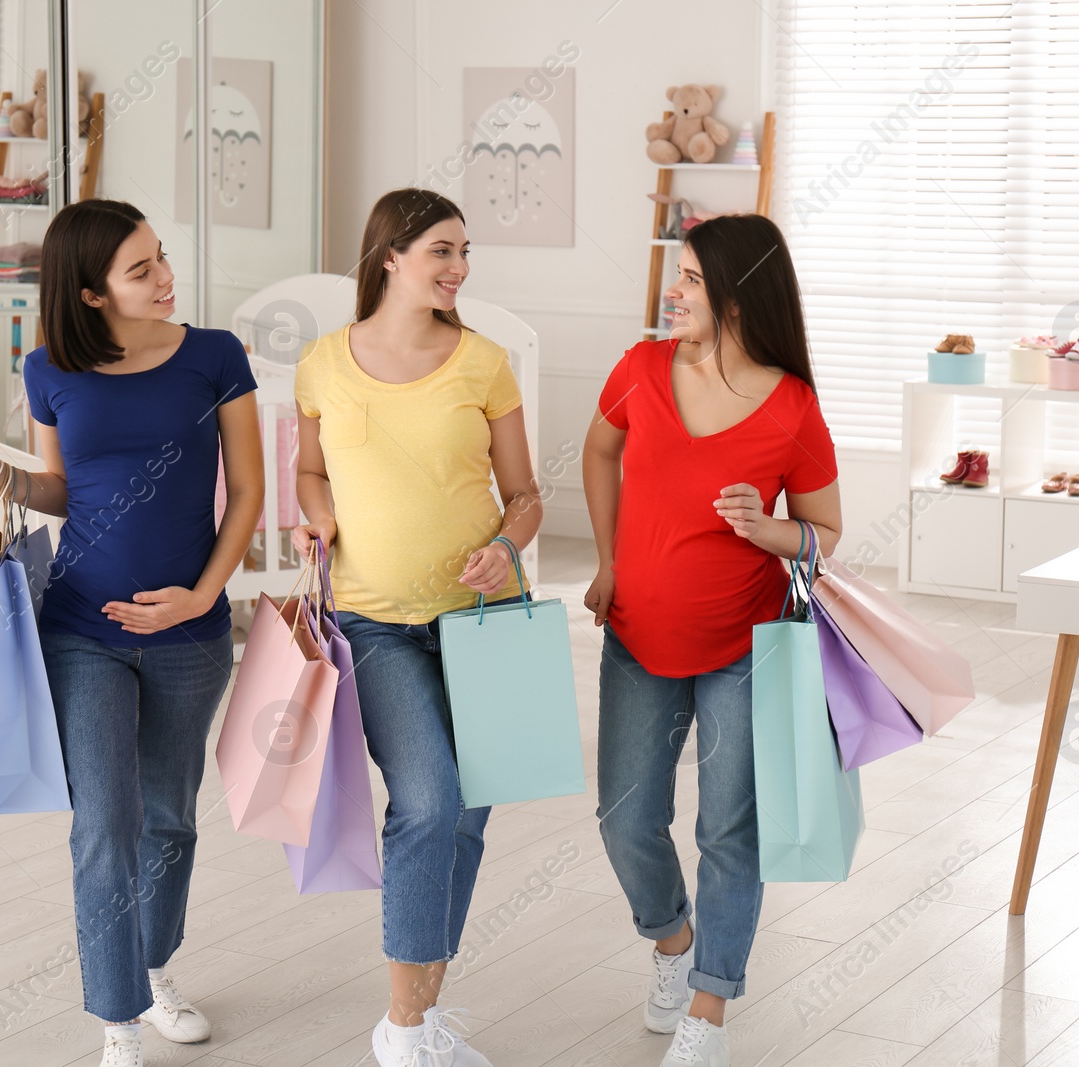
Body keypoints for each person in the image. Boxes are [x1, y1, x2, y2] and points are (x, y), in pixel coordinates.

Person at [0, 199, 264, 1067]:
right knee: (105, 823)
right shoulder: (49, 370)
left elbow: (250, 493)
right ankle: (118, 1016)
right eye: (140, 269)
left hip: (191, 632)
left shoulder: (216, 357)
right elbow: (63, 490)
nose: (164, 277)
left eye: (161, 258)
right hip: (81, 627)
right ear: (92, 290)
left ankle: (149, 964)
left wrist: (197, 597)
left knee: (170, 820)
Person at [291, 187, 542, 1067]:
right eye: (441, 249)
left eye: (464, 251)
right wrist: (314, 518)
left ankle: (424, 1010)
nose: (459, 267)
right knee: (429, 800)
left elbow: (525, 497)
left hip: (481, 619)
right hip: (376, 622)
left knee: (468, 816)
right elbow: (309, 473)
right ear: (389, 254)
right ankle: (401, 1032)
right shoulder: (323, 361)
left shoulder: (484, 361)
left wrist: (508, 549)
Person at [583, 214, 841, 1067]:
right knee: (626, 819)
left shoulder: (793, 406)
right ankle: (671, 939)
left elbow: (824, 532)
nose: (675, 290)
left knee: (729, 831)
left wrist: (767, 530)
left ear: (738, 291)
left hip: (746, 644)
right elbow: (599, 449)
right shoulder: (641, 368)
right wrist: (610, 558)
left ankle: (708, 1009)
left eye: (691, 277)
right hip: (638, 635)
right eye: (679, 273)